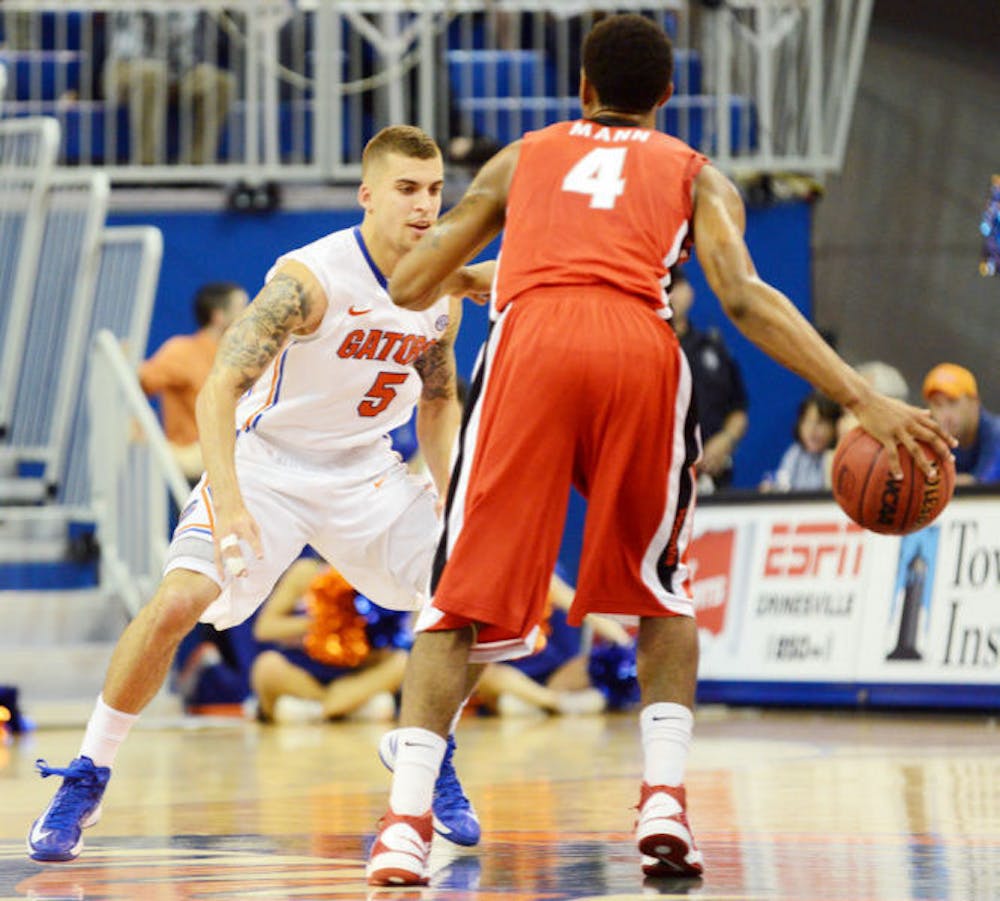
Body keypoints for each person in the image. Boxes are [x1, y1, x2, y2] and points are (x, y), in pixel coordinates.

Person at [363, 14, 955, 886]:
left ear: (583, 91)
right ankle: (665, 805)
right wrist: (863, 395)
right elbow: (746, 299)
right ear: (667, 99)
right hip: (638, 348)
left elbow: (410, 280)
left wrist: (501, 265)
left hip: (532, 346)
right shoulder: (696, 174)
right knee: (659, 587)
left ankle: (406, 826)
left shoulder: (523, 158)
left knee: (460, 595)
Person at [27, 124, 493, 863]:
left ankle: (424, 749)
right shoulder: (309, 280)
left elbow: (438, 399)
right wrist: (234, 496)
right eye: (407, 189)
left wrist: (450, 490)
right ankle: (86, 772)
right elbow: (220, 390)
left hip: (367, 472)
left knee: (483, 594)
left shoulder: (440, 288)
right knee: (179, 600)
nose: (424, 205)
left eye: (435, 190)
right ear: (368, 195)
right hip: (269, 466)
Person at [251, 555, 410, 723]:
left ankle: (319, 710)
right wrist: (325, 622)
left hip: (357, 672)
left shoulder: (376, 575)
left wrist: (358, 627)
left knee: (402, 661)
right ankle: (339, 707)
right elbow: (264, 628)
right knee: (266, 665)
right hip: (304, 671)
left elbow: (390, 638)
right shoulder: (307, 571)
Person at [139, 281, 248, 482]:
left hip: (238, 464)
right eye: (242, 309)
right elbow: (137, 384)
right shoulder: (183, 352)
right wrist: (142, 438)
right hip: (197, 471)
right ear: (219, 316)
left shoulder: (243, 356)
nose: (250, 317)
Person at [103, 11, 235, 165]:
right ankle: (146, 165)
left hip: (178, 70)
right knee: (152, 73)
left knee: (221, 83)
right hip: (126, 67)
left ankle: (197, 164)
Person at [668, 265, 748, 491]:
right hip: (666, 476)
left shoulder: (712, 347)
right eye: (666, 287)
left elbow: (738, 409)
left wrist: (726, 440)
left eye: (677, 285)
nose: (672, 294)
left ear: (690, 291)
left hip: (713, 476)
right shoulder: (647, 351)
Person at [922, 363, 1000, 485]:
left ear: (974, 402)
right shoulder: (928, 440)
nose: (946, 414)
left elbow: (987, 486)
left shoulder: (996, 433)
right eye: (938, 405)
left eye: (953, 402)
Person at [761, 392, 841, 492]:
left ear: (835, 426)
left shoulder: (838, 457)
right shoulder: (795, 453)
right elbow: (783, 482)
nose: (812, 429)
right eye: (807, 421)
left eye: (820, 422)